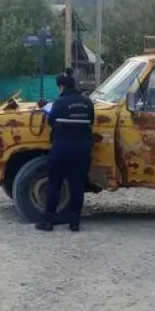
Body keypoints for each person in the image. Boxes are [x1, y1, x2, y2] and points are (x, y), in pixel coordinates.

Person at [37, 68, 95, 233]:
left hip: (62, 149)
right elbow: (91, 121)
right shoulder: (87, 103)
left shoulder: (58, 103)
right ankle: (74, 222)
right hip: (82, 149)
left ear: (61, 87)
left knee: (55, 184)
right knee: (77, 185)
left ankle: (48, 221)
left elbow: (51, 122)